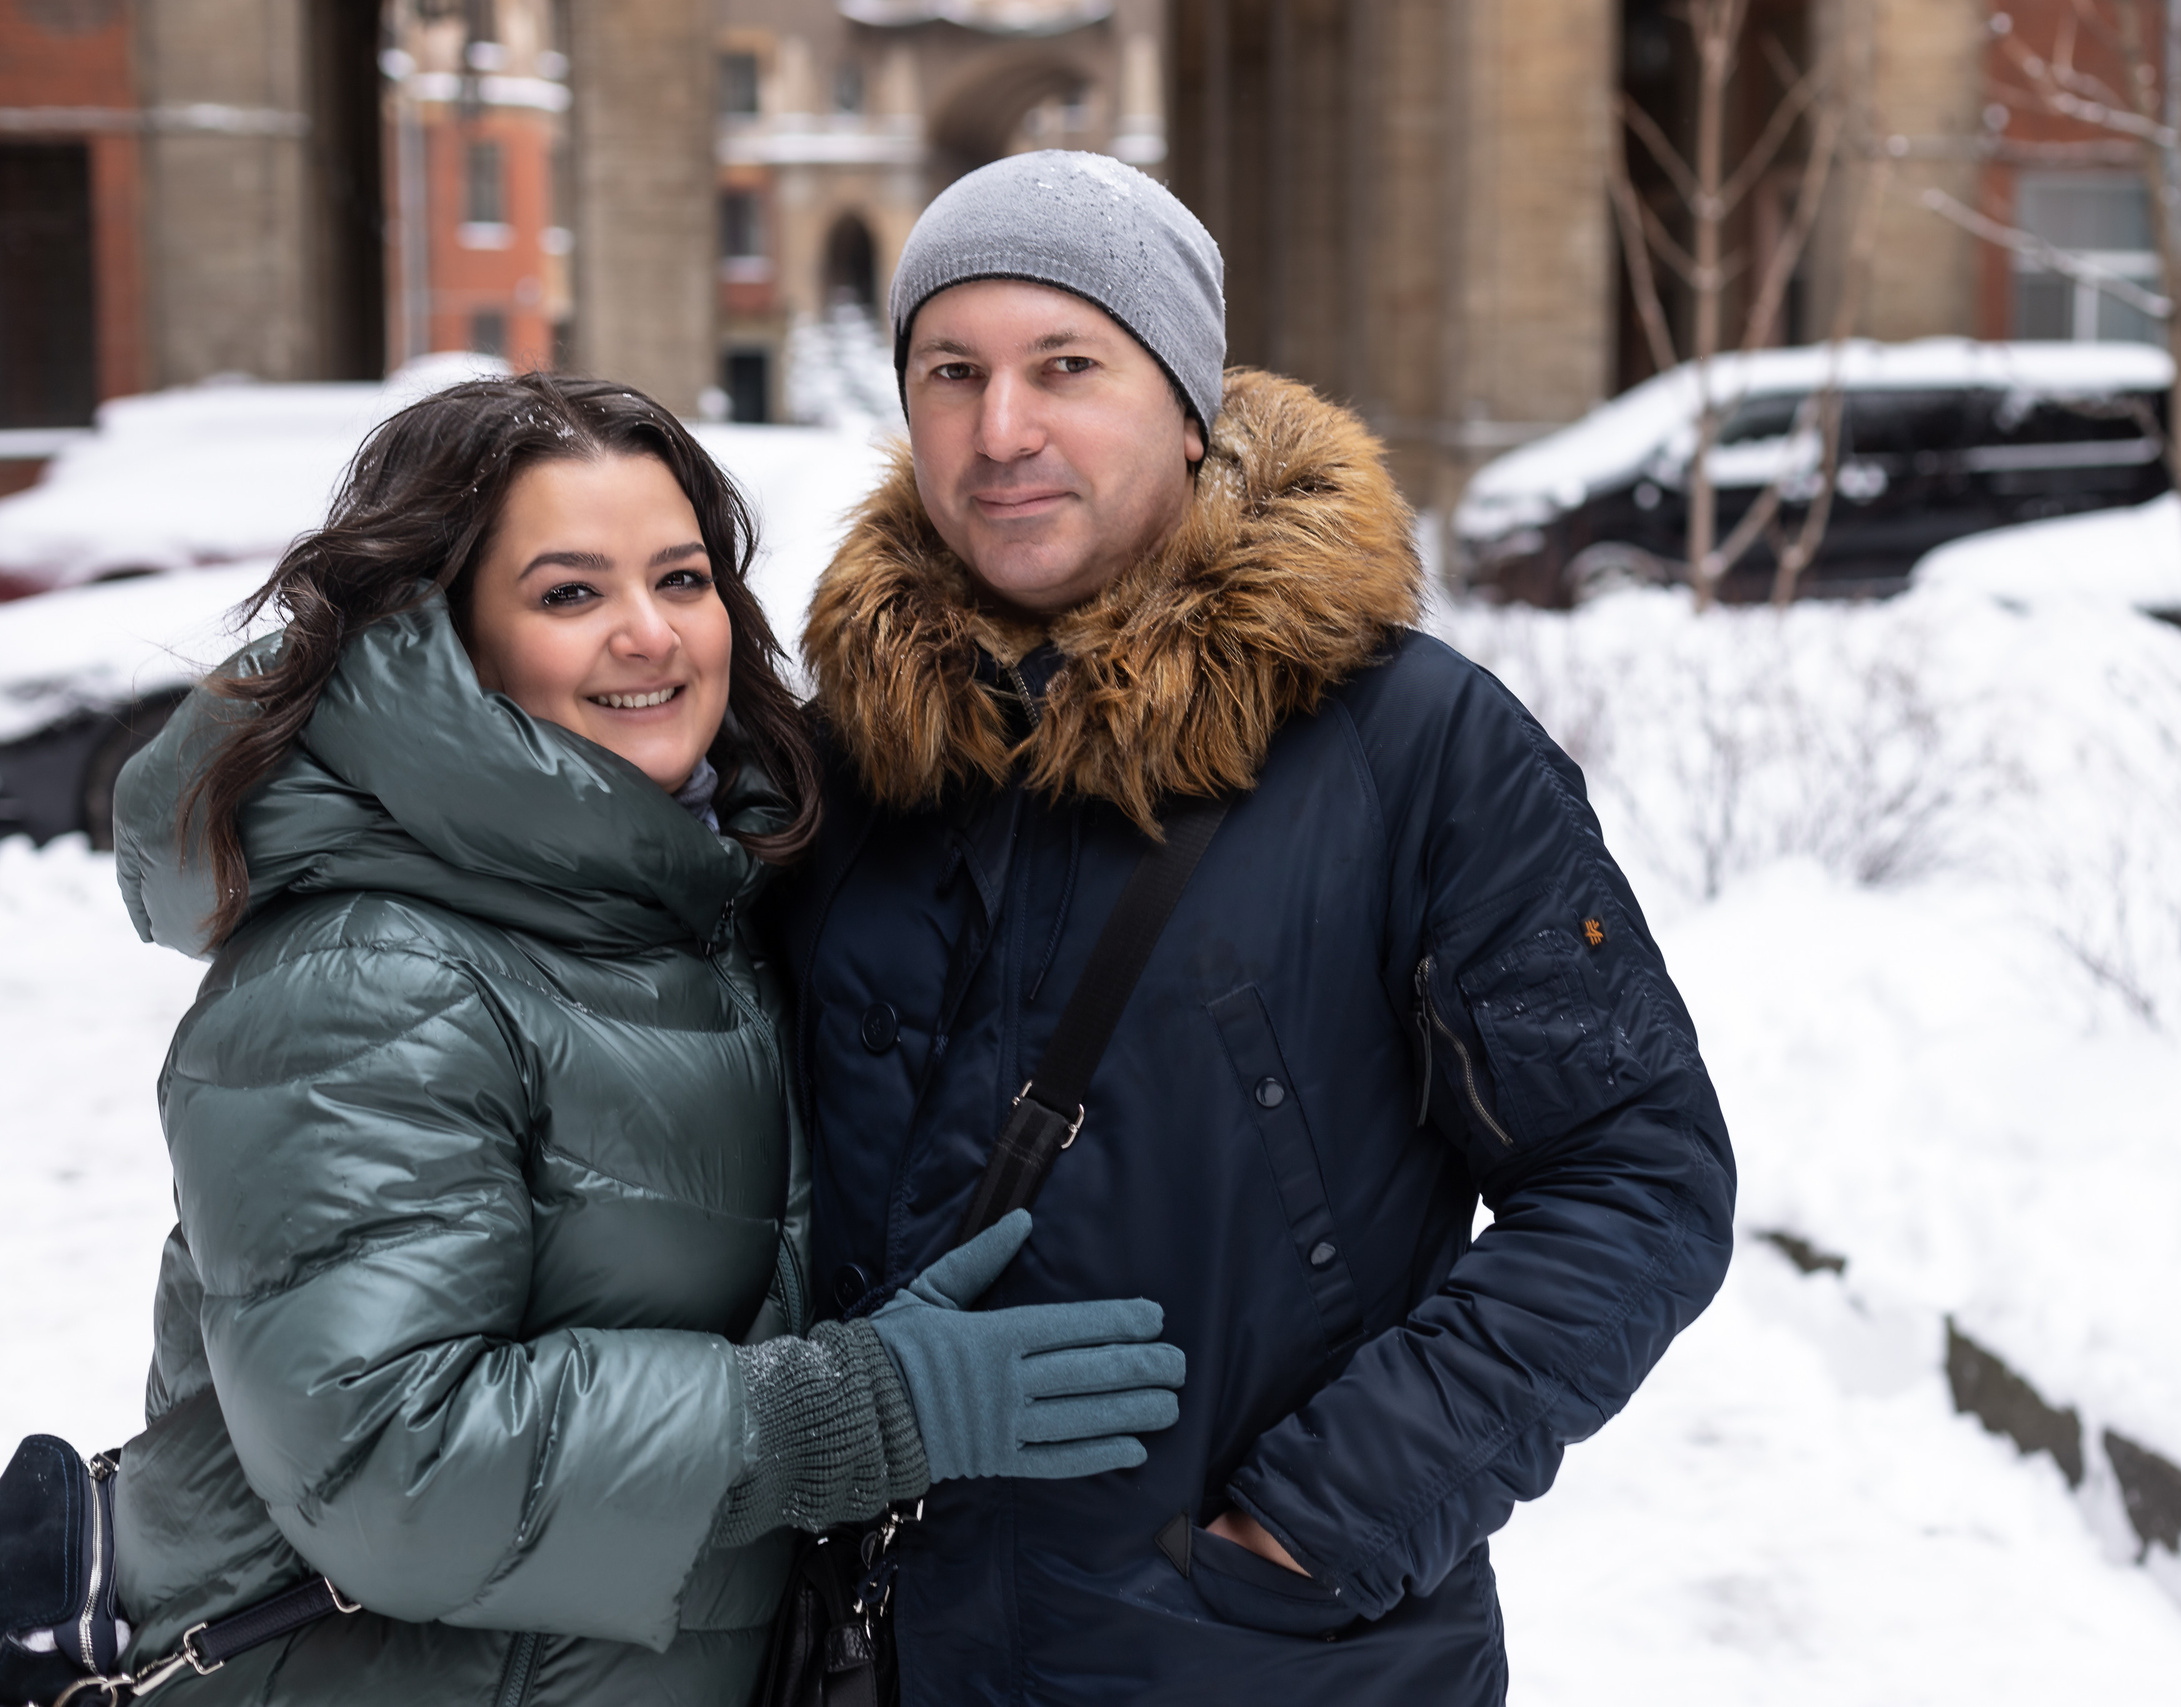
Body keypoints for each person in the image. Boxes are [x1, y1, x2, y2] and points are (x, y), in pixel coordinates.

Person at [779, 150, 1738, 1704]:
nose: (1002, 428)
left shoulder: (1412, 747)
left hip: (1274, 1658)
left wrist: (1322, 1520)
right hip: (889, 1659)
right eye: (951, 372)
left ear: (1187, 401)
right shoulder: (843, 765)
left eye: (1065, 365)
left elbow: (1637, 1178)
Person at [88, 374, 1184, 1706]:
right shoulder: (370, 972)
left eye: (680, 579)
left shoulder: (689, 896)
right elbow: (388, 1466)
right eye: (569, 594)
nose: (650, 636)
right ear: (442, 635)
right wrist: (847, 1409)